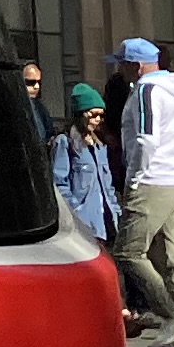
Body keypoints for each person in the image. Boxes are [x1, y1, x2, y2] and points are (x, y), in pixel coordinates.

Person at [108, 37, 174, 347]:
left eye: (122, 63)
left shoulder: (146, 90)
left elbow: (146, 139)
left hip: (154, 181)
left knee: (128, 252)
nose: (119, 70)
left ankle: (173, 319)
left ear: (136, 65)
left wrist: (134, 179)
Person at [52, 80, 121, 248]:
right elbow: (59, 183)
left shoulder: (100, 144)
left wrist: (116, 211)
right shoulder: (66, 142)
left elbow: (107, 184)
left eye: (101, 115)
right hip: (84, 223)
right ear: (81, 113)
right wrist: (76, 211)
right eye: (93, 114)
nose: (97, 120)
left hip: (107, 222)